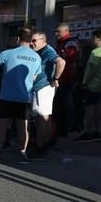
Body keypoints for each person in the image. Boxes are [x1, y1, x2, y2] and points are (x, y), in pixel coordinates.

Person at [0, 28, 42, 164]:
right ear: (31, 40)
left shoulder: (10, 53)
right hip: (24, 98)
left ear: (18, 39)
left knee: (2, 126)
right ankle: (23, 153)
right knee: (23, 127)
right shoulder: (37, 57)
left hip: (6, 96)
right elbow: (34, 77)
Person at [29, 30, 65, 159]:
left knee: (42, 117)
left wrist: (56, 79)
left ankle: (40, 147)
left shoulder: (47, 51)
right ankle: (43, 144)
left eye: (34, 40)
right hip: (40, 88)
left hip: (43, 88)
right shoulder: (38, 51)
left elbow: (61, 62)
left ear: (43, 40)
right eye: (30, 40)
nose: (31, 43)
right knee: (44, 117)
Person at [76, 29, 101, 142]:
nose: (92, 40)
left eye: (93, 37)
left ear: (99, 39)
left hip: (91, 85)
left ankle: (88, 132)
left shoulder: (95, 52)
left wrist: (86, 82)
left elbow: (93, 69)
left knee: (89, 110)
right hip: (99, 85)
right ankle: (96, 131)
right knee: (96, 108)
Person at [52, 23, 80, 141]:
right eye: (56, 31)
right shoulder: (62, 43)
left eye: (59, 31)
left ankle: (63, 129)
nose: (56, 34)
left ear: (66, 31)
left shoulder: (70, 43)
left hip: (66, 79)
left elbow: (70, 59)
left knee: (63, 105)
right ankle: (60, 128)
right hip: (62, 78)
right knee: (59, 105)